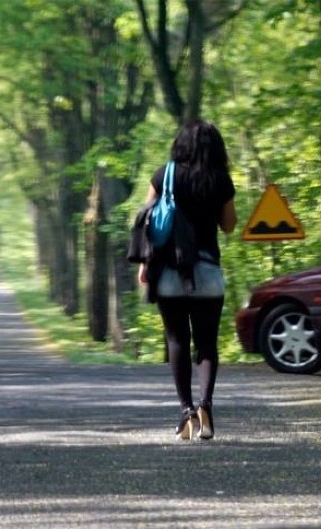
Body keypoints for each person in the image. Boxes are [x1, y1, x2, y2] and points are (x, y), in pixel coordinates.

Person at [138, 120, 237, 440]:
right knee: (206, 343)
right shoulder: (220, 180)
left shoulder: (164, 175)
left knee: (177, 340)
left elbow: (147, 221)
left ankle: (186, 413)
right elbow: (229, 225)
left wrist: (144, 264)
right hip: (208, 271)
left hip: (169, 270)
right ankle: (207, 407)